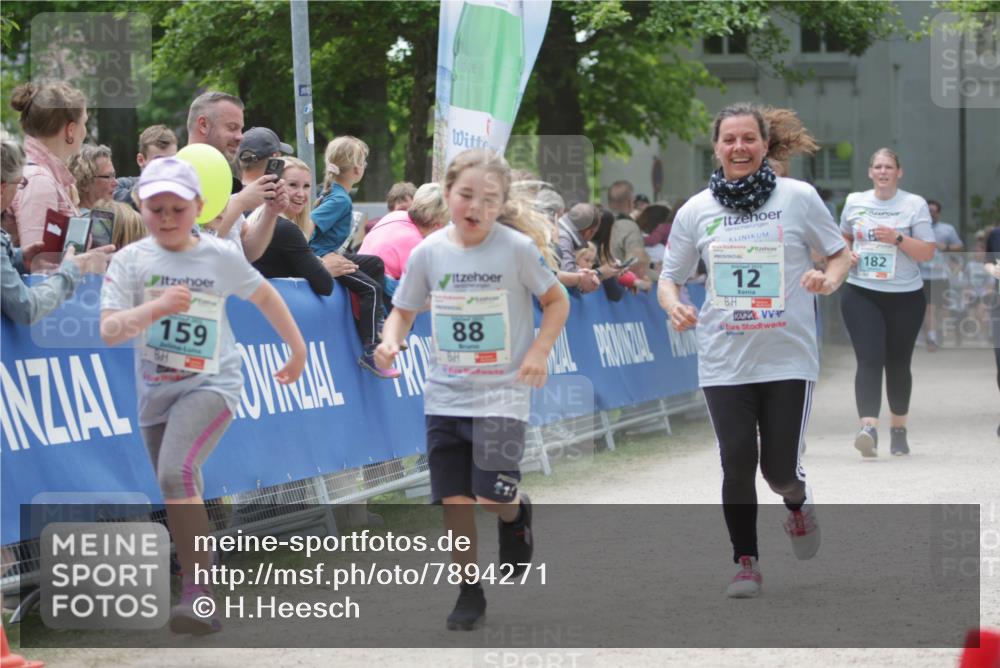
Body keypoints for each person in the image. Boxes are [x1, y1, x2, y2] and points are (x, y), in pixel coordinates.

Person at [99, 157, 307, 634]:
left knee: (177, 474)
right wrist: (156, 307)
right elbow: (110, 330)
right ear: (141, 207)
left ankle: (198, 595)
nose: (168, 218)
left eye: (178, 207)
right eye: (157, 209)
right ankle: (201, 590)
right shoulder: (131, 261)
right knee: (176, 488)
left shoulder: (217, 255)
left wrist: (295, 349)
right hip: (156, 393)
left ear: (198, 206)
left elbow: (266, 298)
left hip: (214, 384)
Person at [658, 102, 851, 599]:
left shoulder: (798, 197)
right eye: (730, 139)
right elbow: (669, 277)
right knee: (737, 461)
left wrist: (827, 280)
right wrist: (673, 305)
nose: (739, 147)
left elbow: (838, 252)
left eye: (749, 138)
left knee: (779, 470)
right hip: (724, 358)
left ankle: (797, 502)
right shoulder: (696, 210)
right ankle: (745, 561)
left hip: (787, 356)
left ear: (766, 145)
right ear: (716, 145)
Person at [375, 148, 569, 631]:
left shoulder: (516, 250)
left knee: (490, 496)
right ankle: (469, 593)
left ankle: (515, 514)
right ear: (447, 195)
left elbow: (556, 300)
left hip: (503, 396)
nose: (475, 207)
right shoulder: (428, 252)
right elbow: (403, 309)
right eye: (466, 195)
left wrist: (539, 351)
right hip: (444, 396)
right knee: (456, 502)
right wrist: (391, 340)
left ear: (502, 203)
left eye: (488, 199)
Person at [839, 148, 936, 458]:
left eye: (889, 167)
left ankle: (898, 429)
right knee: (869, 359)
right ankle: (868, 428)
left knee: (897, 363)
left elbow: (927, 252)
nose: (883, 172)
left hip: (905, 296)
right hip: (861, 291)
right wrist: (847, 254)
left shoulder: (913, 204)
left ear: (899, 172)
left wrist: (897, 238)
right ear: (870, 172)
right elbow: (843, 237)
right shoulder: (855, 201)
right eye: (878, 167)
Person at [310, 136, 397, 378]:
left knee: (375, 263)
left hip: (330, 254)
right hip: (321, 259)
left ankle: (379, 320)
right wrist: (317, 260)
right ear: (357, 169)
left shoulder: (337, 195)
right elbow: (308, 229)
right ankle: (371, 351)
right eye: (365, 161)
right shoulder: (339, 200)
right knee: (370, 288)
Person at [2, 137, 112, 324]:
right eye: (19, 184)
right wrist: (71, 272)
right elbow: (27, 308)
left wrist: (19, 258)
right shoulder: (40, 180)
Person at [186, 93, 282, 261]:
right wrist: (241, 202)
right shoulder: (176, 176)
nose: (240, 137)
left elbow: (247, 249)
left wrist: (271, 211)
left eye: (240, 129)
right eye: (232, 127)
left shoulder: (219, 174)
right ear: (203, 125)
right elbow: (194, 250)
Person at [8, 81, 87, 247]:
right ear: (70, 130)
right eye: (84, 123)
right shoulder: (39, 181)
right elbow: (39, 264)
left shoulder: (40, 176)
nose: (85, 132)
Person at [241, 154, 332, 297]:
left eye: (306, 186)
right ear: (275, 186)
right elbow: (325, 286)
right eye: (292, 185)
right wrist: (327, 267)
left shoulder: (254, 216)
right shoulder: (286, 229)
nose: (301, 194)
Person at [358, 182, 448, 297]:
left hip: (359, 276)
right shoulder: (415, 243)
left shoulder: (393, 216)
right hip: (377, 288)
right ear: (438, 225)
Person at [920, 199, 963, 350]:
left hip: (941, 275)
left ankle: (938, 334)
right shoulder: (917, 228)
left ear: (939, 213)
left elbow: (959, 246)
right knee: (929, 308)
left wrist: (946, 247)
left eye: (934, 211)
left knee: (942, 310)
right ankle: (931, 339)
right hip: (923, 275)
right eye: (929, 211)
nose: (932, 214)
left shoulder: (947, 229)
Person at [114, 124, 179, 210]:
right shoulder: (123, 185)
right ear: (141, 160)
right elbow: (111, 200)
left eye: (171, 161)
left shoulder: (181, 192)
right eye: (158, 161)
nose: (166, 167)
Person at [607, 180, 652, 279]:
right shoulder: (629, 226)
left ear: (609, 202)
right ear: (630, 202)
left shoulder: (599, 223)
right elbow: (636, 262)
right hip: (621, 288)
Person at [554, 203, 602, 293]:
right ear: (589, 232)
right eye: (594, 232)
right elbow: (567, 271)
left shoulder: (562, 232)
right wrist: (585, 277)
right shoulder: (564, 237)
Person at [67, 143, 117, 213]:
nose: (116, 183)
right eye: (108, 177)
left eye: (114, 175)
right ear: (84, 184)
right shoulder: (88, 221)